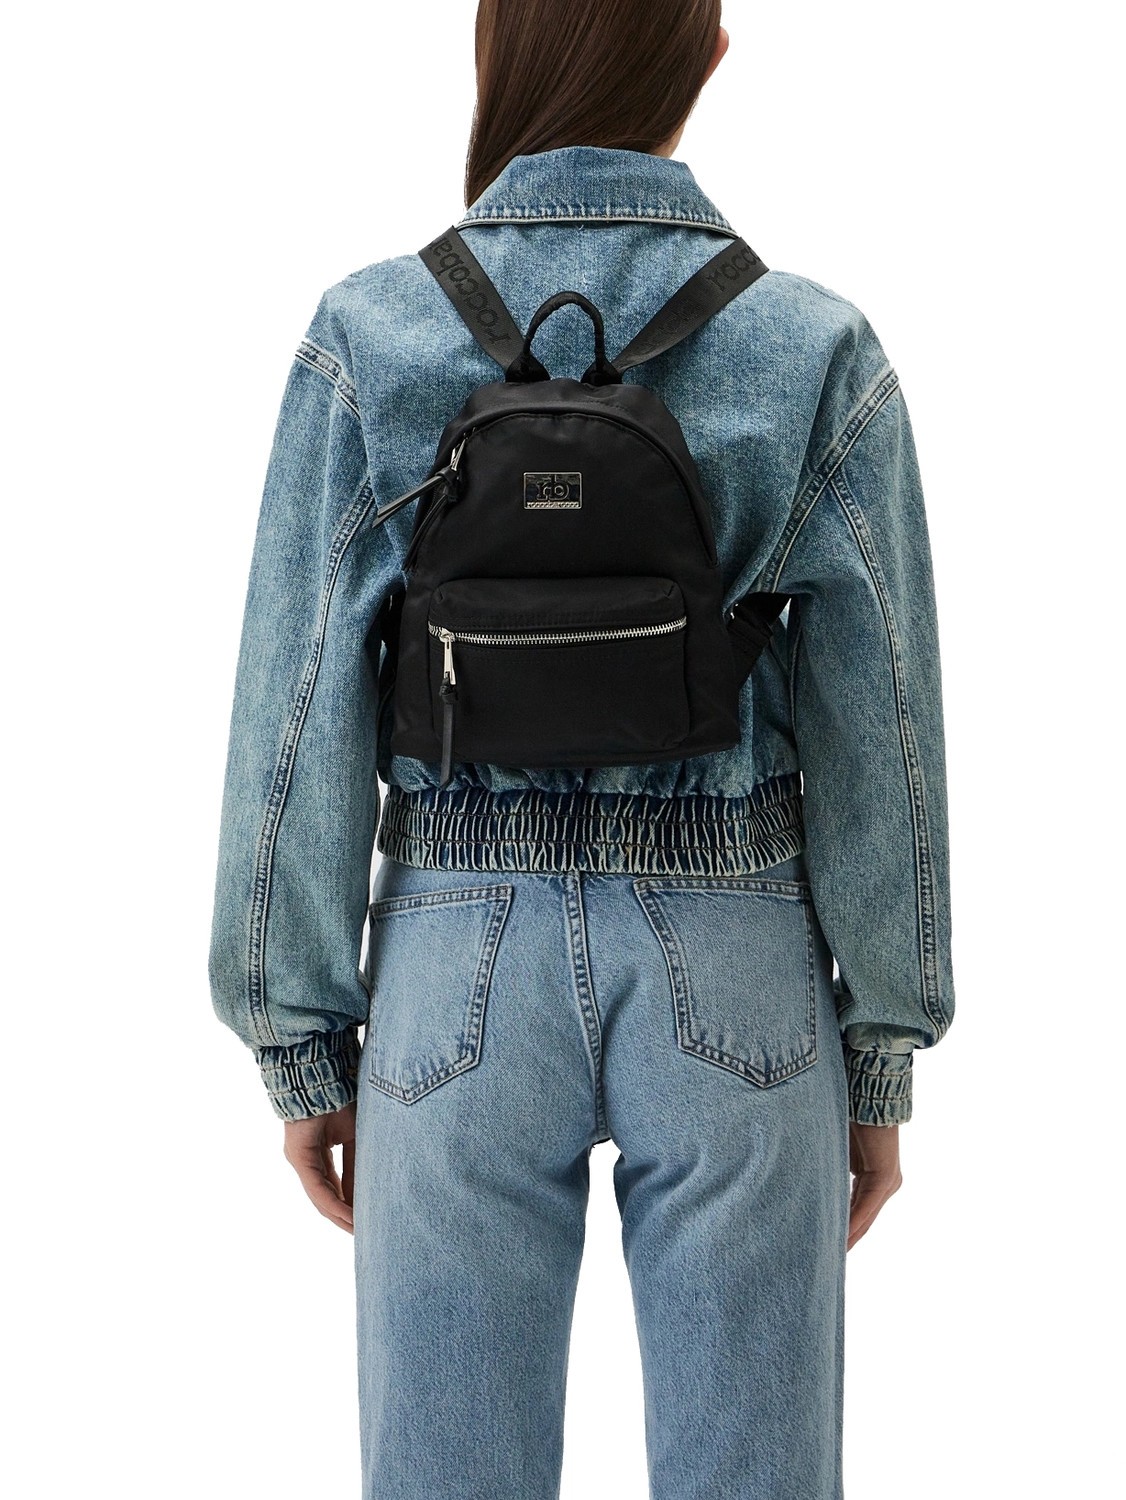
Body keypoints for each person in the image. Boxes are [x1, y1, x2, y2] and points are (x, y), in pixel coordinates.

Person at [208, 2, 956, 1495]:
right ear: (705, 56)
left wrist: (300, 1042)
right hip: (737, 953)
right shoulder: (813, 344)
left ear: (493, 49)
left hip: (453, 964)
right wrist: (879, 1051)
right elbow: (883, 726)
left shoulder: (372, 332)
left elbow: (293, 710)